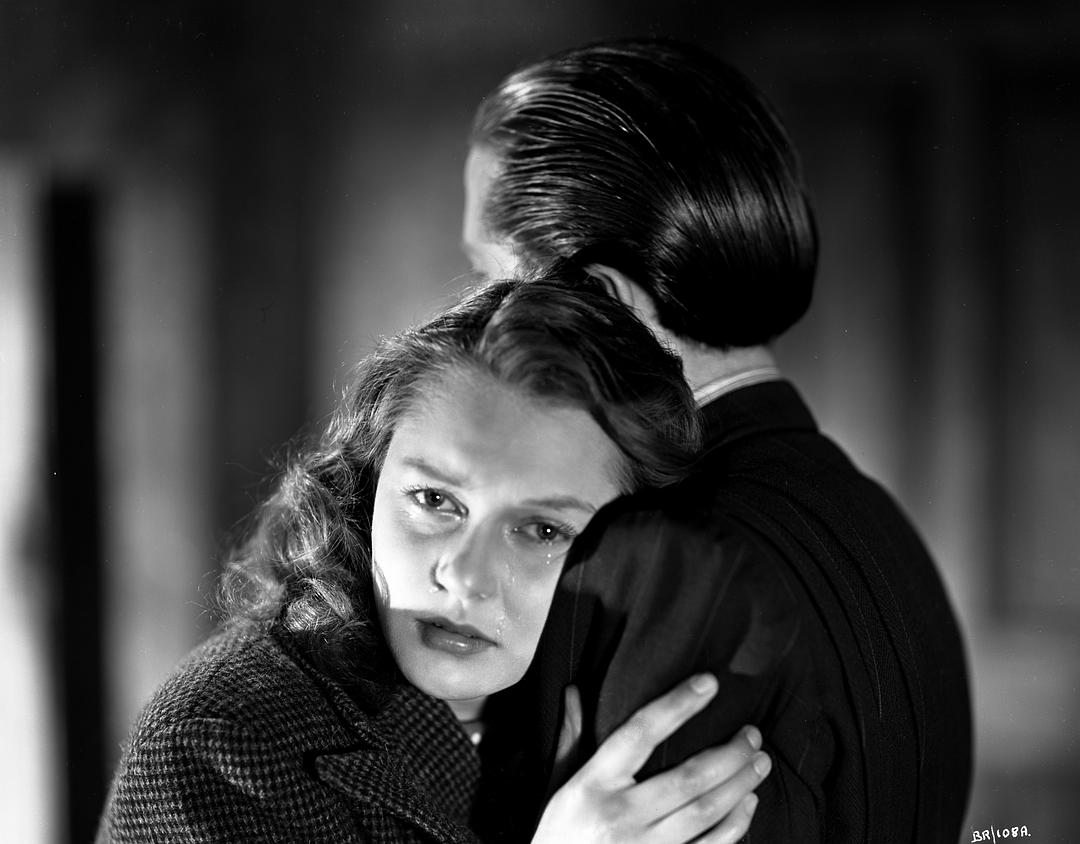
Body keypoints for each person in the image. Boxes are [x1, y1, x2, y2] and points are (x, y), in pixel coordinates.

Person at [464, 37, 973, 843]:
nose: (477, 327)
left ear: (602, 302)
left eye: (490, 282)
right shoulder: (881, 525)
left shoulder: (662, 558)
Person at [96, 272, 772, 844]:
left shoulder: (626, 703)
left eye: (542, 530)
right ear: (370, 482)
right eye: (434, 500)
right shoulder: (216, 743)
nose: (464, 576)